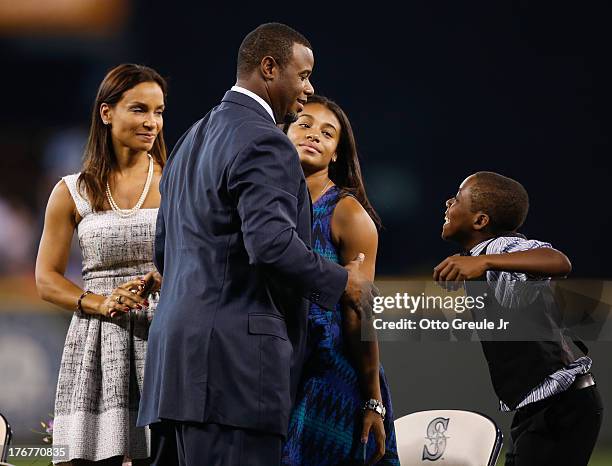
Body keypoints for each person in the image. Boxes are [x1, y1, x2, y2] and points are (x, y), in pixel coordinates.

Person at [137, 23, 377, 466]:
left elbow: (164, 254)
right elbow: (270, 245)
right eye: (303, 75)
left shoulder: (191, 139)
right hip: (234, 375)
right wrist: (344, 281)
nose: (309, 88)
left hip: (173, 372)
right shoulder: (265, 139)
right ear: (269, 68)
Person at [35, 63, 166, 465]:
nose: (152, 122)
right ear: (107, 113)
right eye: (139, 109)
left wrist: (164, 277)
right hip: (95, 342)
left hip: (163, 335)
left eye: (159, 112)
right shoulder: (70, 191)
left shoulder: (179, 181)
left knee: (160, 454)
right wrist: (101, 301)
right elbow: (46, 278)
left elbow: (205, 257)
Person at [435, 171, 603, 466]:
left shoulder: (497, 248)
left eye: (458, 197)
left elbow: (558, 261)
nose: (448, 202)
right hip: (541, 406)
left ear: (480, 221)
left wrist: (483, 261)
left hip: (562, 405)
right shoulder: (482, 256)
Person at [281, 95, 399, 465]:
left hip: (331, 377)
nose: (314, 135)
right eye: (304, 124)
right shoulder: (265, 206)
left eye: (327, 133)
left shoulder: (345, 211)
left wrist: (372, 401)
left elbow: (359, 312)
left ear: (336, 154)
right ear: (282, 134)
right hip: (279, 371)